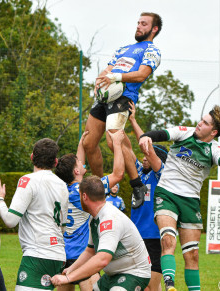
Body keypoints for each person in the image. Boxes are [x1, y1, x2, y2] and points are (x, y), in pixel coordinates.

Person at [139, 105, 220, 291]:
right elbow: (161, 134)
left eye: (205, 123)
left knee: (192, 254)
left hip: (190, 201)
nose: (199, 123)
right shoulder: (184, 133)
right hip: (167, 193)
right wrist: (146, 136)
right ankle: (170, 285)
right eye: (201, 120)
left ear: (214, 131)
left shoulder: (214, 148)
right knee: (168, 239)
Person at [82, 12, 162, 209]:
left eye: (144, 24)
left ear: (154, 29)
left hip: (124, 96)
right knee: (88, 142)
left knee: (113, 140)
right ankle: (100, 185)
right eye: (138, 23)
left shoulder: (153, 51)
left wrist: (116, 77)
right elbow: (108, 69)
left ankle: (137, 185)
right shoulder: (123, 48)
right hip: (107, 94)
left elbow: (141, 74)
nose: (138, 26)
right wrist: (100, 81)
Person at [0, 138, 69, 291]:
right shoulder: (63, 186)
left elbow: (10, 220)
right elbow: (62, 227)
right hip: (58, 255)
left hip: (38, 254)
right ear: (55, 162)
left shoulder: (28, 180)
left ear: (32, 157)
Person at [50, 176, 151, 291]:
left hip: (134, 273)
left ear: (84, 196)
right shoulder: (94, 217)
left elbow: (102, 259)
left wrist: (68, 278)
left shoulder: (109, 219)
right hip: (113, 274)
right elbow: (90, 251)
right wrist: (71, 269)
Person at [54, 129, 125, 291]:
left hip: (63, 253)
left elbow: (78, 168)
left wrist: (81, 144)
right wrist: (117, 144)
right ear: (76, 171)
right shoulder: (85, 190)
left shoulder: (63, 187)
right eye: (78, 162)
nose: (82, 162)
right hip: (81, 256)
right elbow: (118, 174)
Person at [129, 101, 168, 291]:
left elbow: (146, 147)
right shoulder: (139, 172)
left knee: (148, 286)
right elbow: (128, 148)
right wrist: (128, 121)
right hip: (136, 234)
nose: (144, 157)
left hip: (153, 235)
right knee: (151, 286)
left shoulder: (161, 175)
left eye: (148, 155)